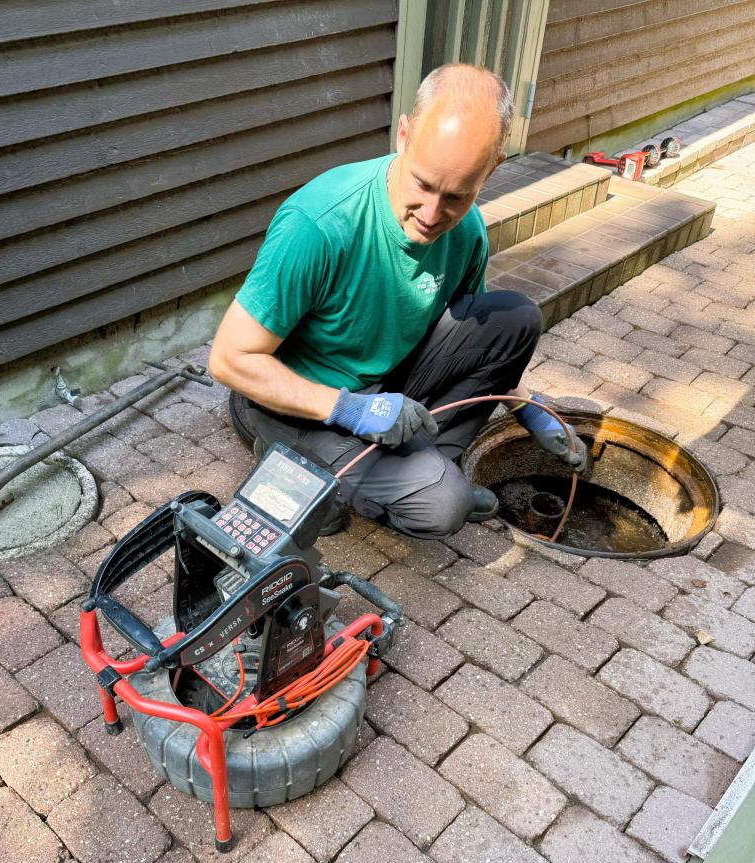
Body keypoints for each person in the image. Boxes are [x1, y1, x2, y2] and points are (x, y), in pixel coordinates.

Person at [209, 63, 585, 540]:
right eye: (423, 185)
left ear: (493, 168)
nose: (431, 216)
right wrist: (350, 410)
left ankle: (430, 465)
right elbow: (228, 359)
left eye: (456, 195)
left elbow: (474, 342)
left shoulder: (464, 231)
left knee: (515, 319)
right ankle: (291, 458)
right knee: (444, 508)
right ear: (403, 135)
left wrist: (527, 405)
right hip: (293, 403)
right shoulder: (321, 225)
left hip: (385, 385)